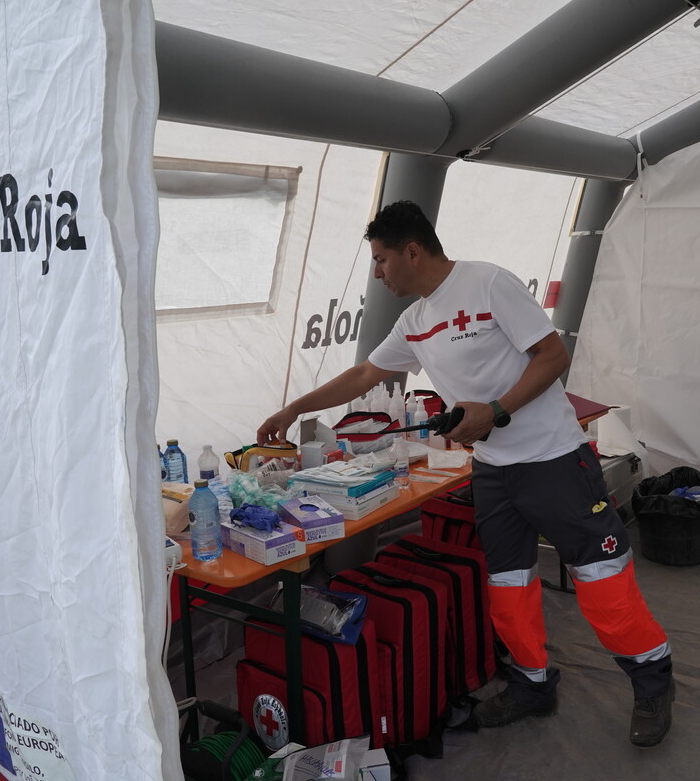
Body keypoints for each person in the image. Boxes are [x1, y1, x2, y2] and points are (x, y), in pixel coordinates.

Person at [257, 200, 674, 747]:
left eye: (382, 260)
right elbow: (363, 373)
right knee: (508, 587)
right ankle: (531, 685)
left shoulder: (489, 284)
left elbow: (552, 356)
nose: (378, 274)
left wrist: (496, 410)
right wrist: (296, 409)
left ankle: (652, 681)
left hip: (554, 461)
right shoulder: (415, 321)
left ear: (412, 250)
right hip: (495, 473)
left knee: (602, 579)